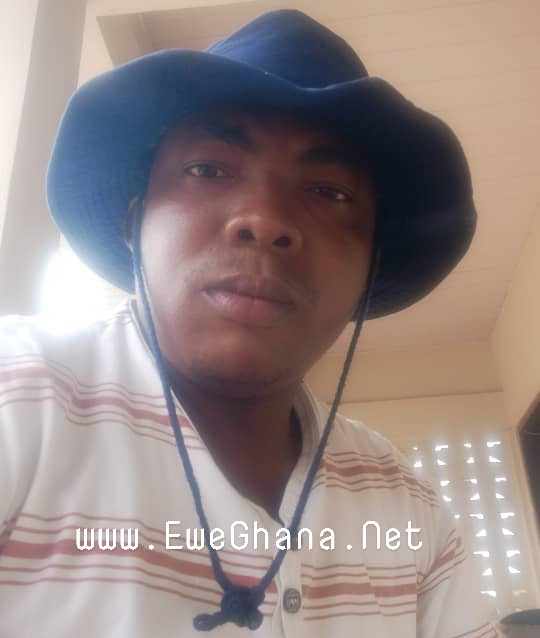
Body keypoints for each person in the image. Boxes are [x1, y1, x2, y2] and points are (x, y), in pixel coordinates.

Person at [0, 9, 500, 638]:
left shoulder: (410, 509)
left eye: (329, 192)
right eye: (208, 169)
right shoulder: (19, 394)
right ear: (134, 223)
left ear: (370, 266)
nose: (265, 220)